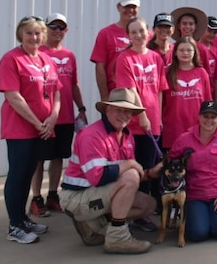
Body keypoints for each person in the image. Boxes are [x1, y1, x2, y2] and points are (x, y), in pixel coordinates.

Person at [60, 88, 163, 254]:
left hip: (96, 194)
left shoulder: (127, 136)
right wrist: (130, 164)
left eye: (128, 111)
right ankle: (117, 238)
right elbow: (98, 178)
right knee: (130, 176)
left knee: (148, 205)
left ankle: (93, 224)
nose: (124, 115)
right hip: (76, 198)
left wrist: (151, 173)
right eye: (119, 110)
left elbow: (125, 178)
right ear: (107, 109)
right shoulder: (91, 135)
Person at [0, 16, 60, 243]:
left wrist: (53, 116)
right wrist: (37, 122)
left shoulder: (46, 58)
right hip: (20, 129)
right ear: (20, 35)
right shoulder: (11, 60)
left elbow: (57, 92)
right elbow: (13, 96)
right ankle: (14, 226)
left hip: (43, 128)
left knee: (28, 174)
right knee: (18, 175)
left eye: (37, 33)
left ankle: (23, 219)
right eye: (29, 33)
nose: (34, 37)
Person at [114, 17, 168, 231]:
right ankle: (138, 213)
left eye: (141, 31)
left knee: (151, 166)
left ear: (149, 33)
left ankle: (146, 208)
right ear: (129, 35)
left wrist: (159, 117)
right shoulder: (125, 58)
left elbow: (160, 90)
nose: (138, 35)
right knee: (139, 168)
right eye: (133, 32)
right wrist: (143, 115)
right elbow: (131, 91)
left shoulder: (156, 57)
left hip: (153, 122)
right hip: (136, 123)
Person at [31, 13, 86, 217]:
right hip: (45, 118)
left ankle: (53, 195)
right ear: (46, 29)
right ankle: (36, 198)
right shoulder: (38, 53)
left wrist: (81, 109)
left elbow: (73, 84)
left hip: (66, 117)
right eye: (52, 27)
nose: (57, 31)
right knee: (39, 159)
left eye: (61, 27)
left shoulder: (69, 55)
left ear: (66, 31)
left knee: (58, 157)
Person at [168, 100, 217, 242]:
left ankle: (214, 218)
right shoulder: (184, 139)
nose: (209, 120)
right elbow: (170, 162)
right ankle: (200, 219)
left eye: (213, 117)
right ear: (199, 117)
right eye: (205, 116)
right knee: (198, 234)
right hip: (194, 195)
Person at [162, 37, 212, 151]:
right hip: (173, 128)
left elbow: (208, 103)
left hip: (196, 128)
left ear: (195, 52)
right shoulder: (167, 73)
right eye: (181, 50)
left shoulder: (202, 72)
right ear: (175, 53)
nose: (185, 53)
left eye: (189, 50)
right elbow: (161, 102)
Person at [91, 0, 142, 101]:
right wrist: (104, 97)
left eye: (133, 7)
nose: (130, 10)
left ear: (138, 8)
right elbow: (100, 67)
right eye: (126, 7)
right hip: (116, 94)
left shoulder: (147, 35)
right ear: (118, 7)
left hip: (141, 94)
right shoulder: (106, 33)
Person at [197, 16, 217, 102]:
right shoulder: (193, 47)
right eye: (209, 31)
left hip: (210, 94)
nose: (212, 34)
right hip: (196, 92)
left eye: (215, 32)